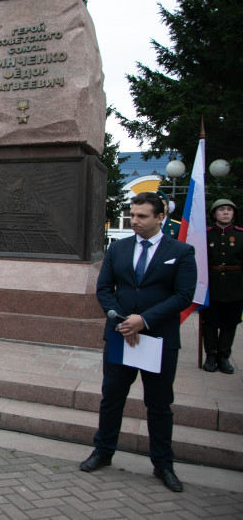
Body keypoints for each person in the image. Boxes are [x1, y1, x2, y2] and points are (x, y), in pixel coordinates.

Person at [79, 191, 196, 493]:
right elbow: (104, 288)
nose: (135, 221)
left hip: (158, 338)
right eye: (133, 215)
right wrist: (122, 320)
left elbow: (183, 295)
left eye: (142, 216)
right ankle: (102, 452)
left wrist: (143, 320)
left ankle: (163, 465)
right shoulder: (118, 249)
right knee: (112, 398)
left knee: (158, 405)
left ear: (160, 218)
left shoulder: (181, 252)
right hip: (121, 336)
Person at [202, 199, 242, 374]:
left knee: (230, 323)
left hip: (235, 286)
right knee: (210, 323)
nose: (226, 212)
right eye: (221, 209)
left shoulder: (240, 235)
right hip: (211, 286)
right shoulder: (206, 235)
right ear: (214, 214)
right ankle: (210, 355)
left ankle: (223, 356)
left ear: (234, 213)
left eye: (229, 210)